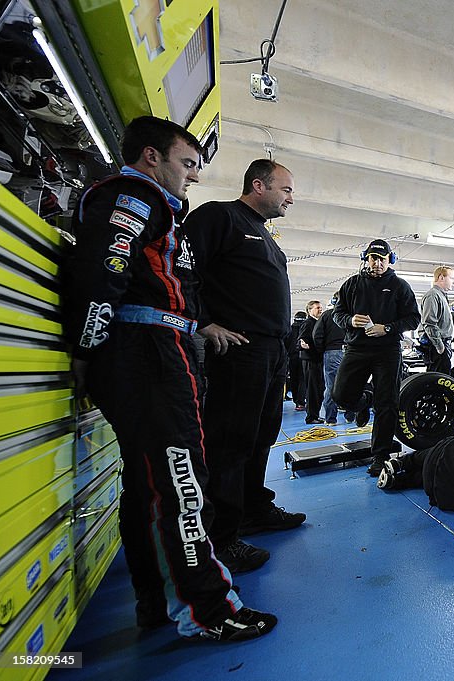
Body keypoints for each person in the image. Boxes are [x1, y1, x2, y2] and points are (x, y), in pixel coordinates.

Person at [63, 115, 275, 641]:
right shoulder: (134, 196)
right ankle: (208, 609)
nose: (194, 176)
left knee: (148, 484)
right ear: (151, 157)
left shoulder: (153, 207)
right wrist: (88, 345)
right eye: (187, 163)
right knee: (181, 481)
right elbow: (106, 269)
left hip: (152, 348)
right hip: (148, 351)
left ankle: (157, 601)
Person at [185, 158, 306, 573]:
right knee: (231, 442)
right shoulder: (220, 217)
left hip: (273, 351)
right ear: (259, 185)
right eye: (286, 190)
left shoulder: (265, 235)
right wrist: (201, 322)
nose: (292, 198)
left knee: (261, 437)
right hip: (240, 348)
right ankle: (221, 539)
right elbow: (182, 270)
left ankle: (254, 509)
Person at [331, 239, 421, 476]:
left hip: (387, 350)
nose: (377, 263)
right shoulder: (351, 285)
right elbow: (337, 314)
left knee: (387, 403)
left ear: (390, 260)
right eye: (373, 258)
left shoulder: (400, 286)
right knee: (340, 395)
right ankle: (364, 399)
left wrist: (388, 328)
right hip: (356, 348)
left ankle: (380, 455)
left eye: (382, 258)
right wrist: (349, 320)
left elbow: (413, 318)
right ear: (366, 259)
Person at [313, 291, 347, 426]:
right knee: (350, 384)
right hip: (350, 352)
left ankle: (331, 419)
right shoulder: (351, 316)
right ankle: (350, 415)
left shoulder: (327, 315)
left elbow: (317, 335)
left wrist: (323, 350)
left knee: (331, 386)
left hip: (332, 352)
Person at [417, 266, 454, 374]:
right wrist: (440, 348)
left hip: (442, 345)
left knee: (443, 380)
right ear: (441, 277)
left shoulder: (441, 296)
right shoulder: (433, 295)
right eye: (451, 278)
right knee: (437, 382)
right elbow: (429, 323)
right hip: (436, 347)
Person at [298, 300, 324, 424]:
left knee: (319, 388)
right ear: (310, 310)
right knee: (313, 389)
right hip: (310, 360)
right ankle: (311, 416)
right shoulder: (308, 323)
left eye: (321, 308)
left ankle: (315, 414)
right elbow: (301, 340)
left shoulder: (318, 323)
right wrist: (302, 344)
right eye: (317, 308)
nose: (320, 310)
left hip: (317, 360)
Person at [286, 310, 307, 408]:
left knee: (294, 378)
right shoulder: (306, 328)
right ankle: (301, 401)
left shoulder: (289, 329)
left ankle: (296, 400)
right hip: (303, 356)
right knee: (302, 379)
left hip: (292, 357)